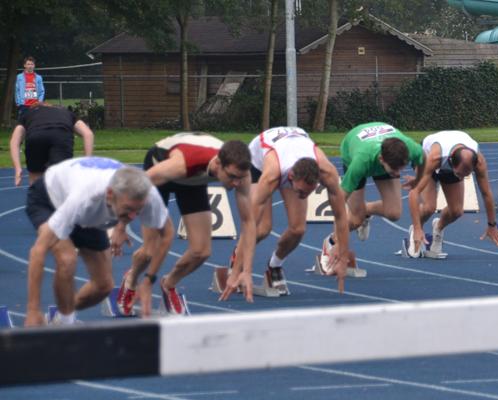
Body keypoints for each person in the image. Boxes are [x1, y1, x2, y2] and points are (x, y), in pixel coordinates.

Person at [113, 133, 256, 315]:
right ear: (218, 164)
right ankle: (131, 279)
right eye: (232, 177)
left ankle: (169, 284)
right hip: (161, 172)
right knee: (150, 250)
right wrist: (120, 226)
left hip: (191, 181)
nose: (237, 183)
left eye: (240, 178)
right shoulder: (180, 165)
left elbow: (248, 222)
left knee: (201, 251)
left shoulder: (241, 172)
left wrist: (243, 271)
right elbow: (134, 188)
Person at [25, 158, 171, 326]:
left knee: (103, 286)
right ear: (110, 195)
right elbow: (38, 251)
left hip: (90, 211)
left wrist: (147, 280)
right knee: (67, 259)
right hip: (49, 199)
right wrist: (33, 310)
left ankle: (60, 317)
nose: (133, 217)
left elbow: (166, 233)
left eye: (138, 210)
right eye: (128, 209)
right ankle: (65, 324)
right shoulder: (84, 197)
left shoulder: (149, 194)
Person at [235, 126, 351, 294]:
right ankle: (235, 260)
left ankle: (274, 265)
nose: (304, 196)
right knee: (262, 228)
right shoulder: (271, 176)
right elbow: (249, 224)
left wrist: (342, 254)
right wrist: (243, 270)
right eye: (301, 192)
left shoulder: (328, 173)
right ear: (291, 178)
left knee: (298, 229)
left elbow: (341, 216)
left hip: (294, 149)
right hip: (258, 161)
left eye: (309, 192)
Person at [406, 130, 498, 256]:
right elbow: (413, 193)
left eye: (466, 175)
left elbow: (486, 193)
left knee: (457, 211)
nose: (462, 178)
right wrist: (418, 228)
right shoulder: (435, 158)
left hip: (450, 163)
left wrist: (492, 225)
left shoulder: (479, 162)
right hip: (426, 159)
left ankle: (438, 228)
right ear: (452, 162)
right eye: (459, 174)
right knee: (429, 207)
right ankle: (414, 230)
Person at [336, 122, 424, 244]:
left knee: (394, 213)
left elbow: (423, 160)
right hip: (354, 150)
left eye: (401, 168)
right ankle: (330, 243)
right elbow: (339, 200)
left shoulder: (410, 148)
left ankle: (366, 210)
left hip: (381, 148)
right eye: (394, 169)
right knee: (356, 219)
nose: (399, 174)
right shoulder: (360, 163)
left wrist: (418, 180)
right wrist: (337, 238)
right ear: (381, 160)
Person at [9, 102, 95, 187]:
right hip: (60, 135)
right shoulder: (66, 112)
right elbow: (88, 134)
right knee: (61, 177)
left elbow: (15, 141)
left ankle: (37, 197)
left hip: (36, 136)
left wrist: (17, 168)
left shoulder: (28, 114)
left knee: (36, 178)